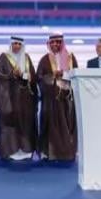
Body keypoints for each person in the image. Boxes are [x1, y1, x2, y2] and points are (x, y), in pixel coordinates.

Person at [36, 33, 79, 161]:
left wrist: (63, 74)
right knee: (51, 126)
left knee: (67, 125)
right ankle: (50, 153)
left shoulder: (71, 58)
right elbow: (39, 77)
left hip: (67, 98)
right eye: (53, 42)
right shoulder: (45, 59)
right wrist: (52, 77)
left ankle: (66, 153)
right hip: (51, 100)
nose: (55, 44)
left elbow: (76, 75)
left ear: (62, 43)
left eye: (58, 42)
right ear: (49, 44)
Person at [0, 36, 38, 161]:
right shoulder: (4, 57)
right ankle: (11, 150)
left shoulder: (27, 58)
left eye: (19, 44)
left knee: (25, 123)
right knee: (11, 124)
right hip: (10, 97)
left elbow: (32, 76)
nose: (17, 46)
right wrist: (11, 74)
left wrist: (23, 75)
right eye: (15, 44)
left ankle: (25, 149)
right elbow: (0, 75)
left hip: (25, 98)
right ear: (11, 44)